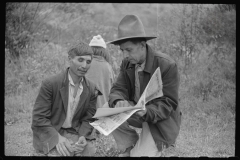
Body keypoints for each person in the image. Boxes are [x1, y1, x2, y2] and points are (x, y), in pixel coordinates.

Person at [107, 15, 182, 157]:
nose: (124, 55)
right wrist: (118, 101)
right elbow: (118, 88)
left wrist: (147, 112)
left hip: (159, 121)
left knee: (139, 156)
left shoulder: (166, 65)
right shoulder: (127, 63)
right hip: (137, 113)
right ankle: (129, 145)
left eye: (128, 50)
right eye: (122, 50)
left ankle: (154, 144)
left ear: (142, 45)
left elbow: (169, 102)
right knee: (107, 108)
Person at [31, 41, 102, 156]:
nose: (84, 66)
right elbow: (39, 118)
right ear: (70, 59)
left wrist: (82, 136)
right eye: (80, 60)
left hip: (73, 132)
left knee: (89, 151)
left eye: (88, 62)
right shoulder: (50, 83)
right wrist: (57, 139)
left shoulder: (92, 88)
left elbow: (89, 117)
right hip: (52, 131)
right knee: (61, 154)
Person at [85, 35, 115, 109]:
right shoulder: (109, 67)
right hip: (104, 111)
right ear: (104, 51)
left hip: (87, 111)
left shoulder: (85, 65)